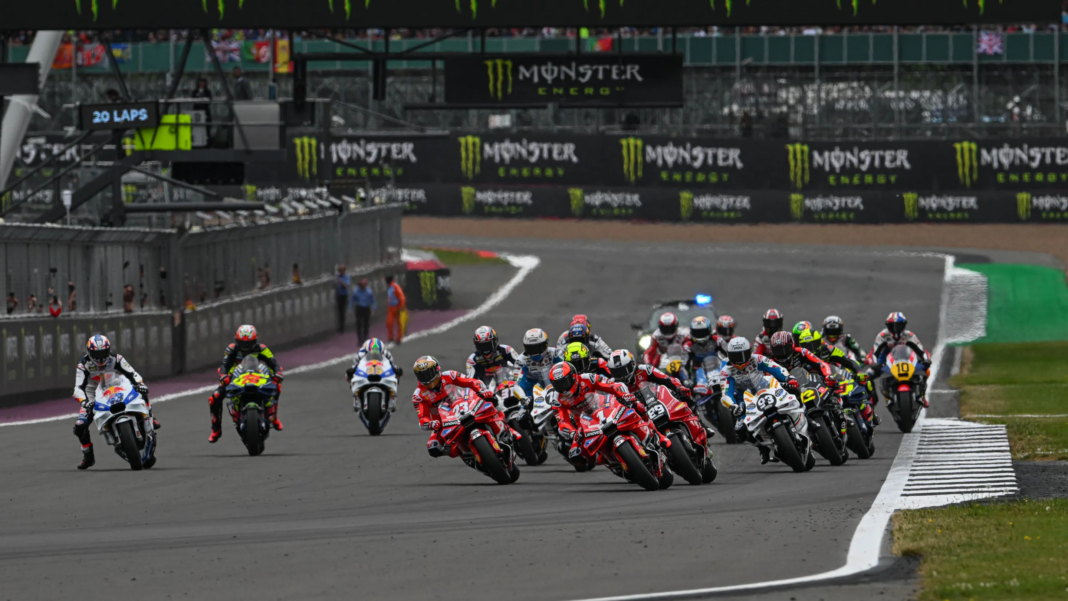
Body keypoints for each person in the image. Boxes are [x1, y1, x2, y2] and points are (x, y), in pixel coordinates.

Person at [546, 362, 664, 469]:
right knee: (575, 455)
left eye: (564, 382)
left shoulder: (587, 378)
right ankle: (610, 461)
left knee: (638, 406)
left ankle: (656, 434)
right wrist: (573, 433)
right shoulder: (557, 399)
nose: (563, 388)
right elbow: (562, 422)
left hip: (605, 407)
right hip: (584, 424)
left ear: (573, 376)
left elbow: (612, 385)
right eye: (558, 385)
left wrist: (624, 395)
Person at [72, 335, 156, 469]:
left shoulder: (117, 358)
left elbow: (132, 373)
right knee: (80, 426)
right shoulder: (83, 365)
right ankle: (88, 456)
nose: (100, 358)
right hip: (93, 395)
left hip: (115, 387)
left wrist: (139, 383)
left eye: (103, 353)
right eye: (96, 354)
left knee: (142, 391)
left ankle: (150, 416)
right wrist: (84, 402)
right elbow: (78, 388)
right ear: (89, 352)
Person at [719, 337, 799, 464]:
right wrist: (733, 406)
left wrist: (788, 378)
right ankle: (762, 446)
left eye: (743, 355)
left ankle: (807, 422)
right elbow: (726, 394)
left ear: (749, 352)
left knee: (795, 392)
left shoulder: (758, 359)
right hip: (745, 398)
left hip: (767, 387)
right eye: (736, 356)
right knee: (740, 430)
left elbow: (776, 368)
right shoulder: (726, 372)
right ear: (729, 356)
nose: (740, 360)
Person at [206, 325, 284, 443]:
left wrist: (278, 372)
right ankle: (216, 429)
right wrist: (223, 375)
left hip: (257, 377)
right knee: (214, 398)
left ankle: (273, 417)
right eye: (242, 343)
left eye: (248, 343)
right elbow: (225, 365)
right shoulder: (231, 349)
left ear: (255, 341)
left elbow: (273, 363)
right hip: (235, 379)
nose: (245, 347)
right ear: (237, 341)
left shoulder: (262, 348)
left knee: (276, 385)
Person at [412, 355, 496, 458]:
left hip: (465, 406)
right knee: (433, 447)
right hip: (443, 422)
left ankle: (504, 429)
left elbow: (472, 382)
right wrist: (431, 423)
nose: (427, 378)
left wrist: (482, 390)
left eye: (429, 373)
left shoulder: (450, 375)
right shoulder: (418, 395)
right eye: (422, 376)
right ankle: (462, 453)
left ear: (437, 369)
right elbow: (422, 418)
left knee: (493, 402)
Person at [868, 312, 932, 407]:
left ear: (904, 325)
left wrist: (926, 360)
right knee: (867, 376)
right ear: (887, 326)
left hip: (906, 358)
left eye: (899, 326)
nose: (895, 329)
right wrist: (874, 363)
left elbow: (922, 350)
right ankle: (872, 399)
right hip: (885, 360)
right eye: (892, 326)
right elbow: (874, 352)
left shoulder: (909, 335)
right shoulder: (882, 335)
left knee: (926, 370)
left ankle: (921, 395)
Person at [606, 349, 694, 407]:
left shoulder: (645, 369)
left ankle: (698, 423)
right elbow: (608, 404)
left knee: (685, 398)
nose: (621, 375)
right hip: (635, 413)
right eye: (616, 372)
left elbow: (666, 379)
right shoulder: (611, 383)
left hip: (657, 401)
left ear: (632, 364)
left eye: (623, 370)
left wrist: (679, 387)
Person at [346, 338, 403, 411]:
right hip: (366, 370)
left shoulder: (387, 354)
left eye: (377, 351)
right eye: (372, 351)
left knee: (396, 376)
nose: (375, 353)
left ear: (382, 350)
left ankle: (392, 397)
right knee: (349, 376)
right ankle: (356, 397)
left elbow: (392, 364)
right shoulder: (360, 354)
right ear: (367, 350)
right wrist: (350, 372)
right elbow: (355, 365)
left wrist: (397, 370)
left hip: (381, 369)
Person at [767, 332, 838, 388]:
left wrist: (827, 375)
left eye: (785, 349)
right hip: (785, 392)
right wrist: (785, 384)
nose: (782, 354)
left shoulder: (801, 352)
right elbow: (767, 382)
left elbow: (821, 363)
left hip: (808, 386)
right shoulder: (770, 362)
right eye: (777, 351)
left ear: (792, 345)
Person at [683, 316, 723, 404]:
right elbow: (684, 365)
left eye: (702, 332)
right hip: (697, 371)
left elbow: (729, 353)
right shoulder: (688, 346)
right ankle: (695, 406)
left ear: (709, 330)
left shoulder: (717, 340)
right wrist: (686, 379)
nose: (700, 335)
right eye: (697, 332)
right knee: (687, 390)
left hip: (717, 366)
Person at [515, 328, 560, 397]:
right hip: (530, 390)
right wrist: (523, 397)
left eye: (537, 348)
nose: (534, 352)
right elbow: (519, 382)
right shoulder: (521, 360)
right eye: (530, 349)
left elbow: (565, 368)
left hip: (553, 386)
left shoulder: (554, 353)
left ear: (545, 344)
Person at [351, 278, 376, 345]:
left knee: (366, 323)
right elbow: (352, 300)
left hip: (366, 308)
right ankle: (360, 339)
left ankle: (365, 336)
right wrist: (351, 308)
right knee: (359, 324)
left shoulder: (369, 291)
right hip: (359, 308)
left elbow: (373, 300)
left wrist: (374, 308)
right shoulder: (356, 291)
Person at [385, 274, 406, 345]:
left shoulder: (395, 287)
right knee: (389, 323)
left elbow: (401, 296)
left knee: (399, 323)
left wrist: (402, 306)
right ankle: (391, 337)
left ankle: (398, 338)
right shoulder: (390, 287)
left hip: (397, 307)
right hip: (390, 307)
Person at [334, 265, 351, 334]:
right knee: (339, 311)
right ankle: (340, 326)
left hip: (344, 296)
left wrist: (339, 281)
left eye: (342, 270)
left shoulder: (347, 277)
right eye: (340, 270)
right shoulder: (337, 276)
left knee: (342, 312)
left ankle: (342, 327)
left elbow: (346, 285)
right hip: (339, 295)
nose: (341, 272)